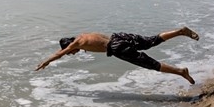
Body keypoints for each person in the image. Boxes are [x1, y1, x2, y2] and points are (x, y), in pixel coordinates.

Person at [35, 26, 199, 84]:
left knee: (150, 64)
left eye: (71, 52)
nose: (73, 53)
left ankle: (180, 72)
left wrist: (46, 62)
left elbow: (59, 54)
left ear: (69, 46)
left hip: (116, 47)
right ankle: (179, 31)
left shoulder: (76, 43)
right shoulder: (84, 35)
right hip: (119, 37)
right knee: (151, 41)